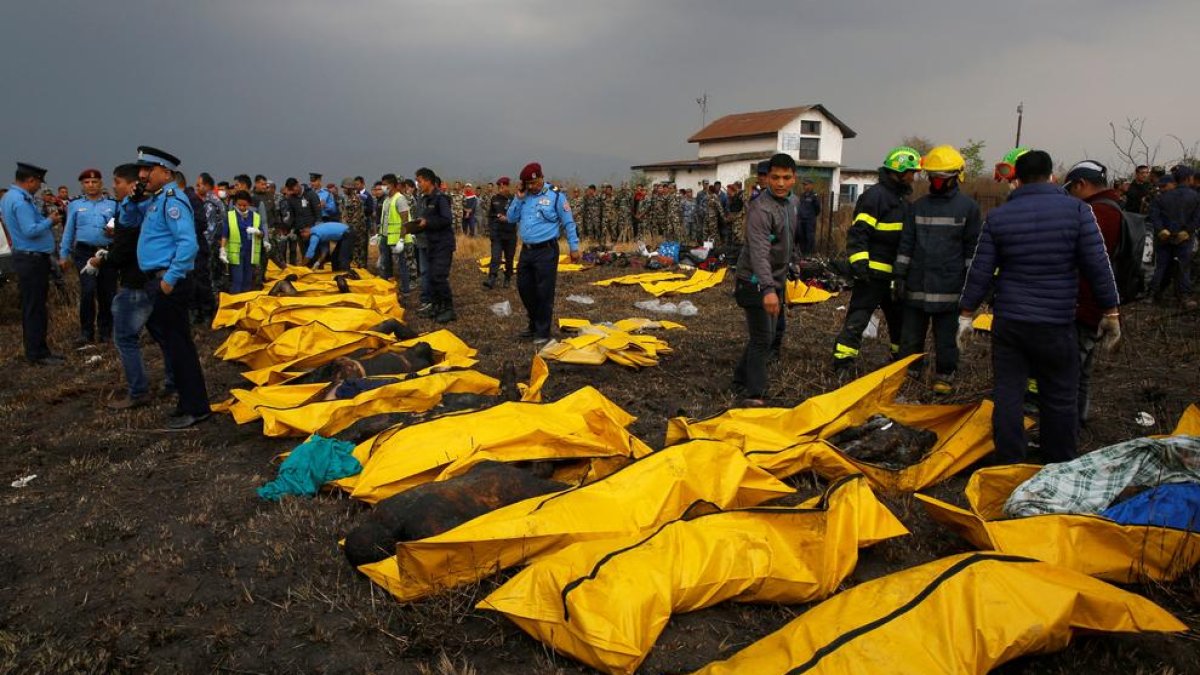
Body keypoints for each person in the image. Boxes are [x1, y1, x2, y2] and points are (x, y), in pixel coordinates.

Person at [959, 150, 1120, 464]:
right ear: (1053, 177)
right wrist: (1111, 311)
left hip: (1010, 323)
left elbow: (980, 269)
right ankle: (1057, 461)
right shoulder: (1078, 212)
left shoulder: (999, 216)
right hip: (1057, 323)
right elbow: (1098, 266)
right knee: (1060, 394)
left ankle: (1010, 461)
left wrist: (966, 313)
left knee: (1008, 393)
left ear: (1017, 179)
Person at [126, 146, 210, 429]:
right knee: (174, 348)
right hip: (158, 281)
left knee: (180, 346)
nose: (142, 175)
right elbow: (127, 221)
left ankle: (196, 407)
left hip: (169, 283)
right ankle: (187, 403)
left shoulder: (173, 200)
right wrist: (131, 199)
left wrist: (169, 280)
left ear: (165, 171)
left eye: (147, 170)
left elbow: (188, 244)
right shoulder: (155, 200)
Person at [894, 145, 982, 394]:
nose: (937, 182)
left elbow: (971, 250)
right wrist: (899, 275)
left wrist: (970, 286)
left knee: (946, 338)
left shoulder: (969, 209)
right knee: (910, 336)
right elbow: (906, 243)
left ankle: (945, 374)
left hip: (949, 287)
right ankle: (909, 372)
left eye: (941, 178)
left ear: (956, 177)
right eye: (933, 177)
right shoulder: (918, 206)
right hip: (917, 284)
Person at [831, 147, 919, 371]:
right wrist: (860, 265)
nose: (913, 176)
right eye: (911, 172)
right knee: (859, 317)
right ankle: (843, 361)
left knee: (898, 319)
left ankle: (900, 361)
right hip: (872, 274)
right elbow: (859, 232)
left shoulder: (901, 199)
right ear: (898, 172)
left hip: (894, 274)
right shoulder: (876, 197)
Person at [100, 163, 174, 409]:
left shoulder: (133, 211)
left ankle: (138, 390)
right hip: (153, 282)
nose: (114, 186)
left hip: (135, 284)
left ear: (133, 185)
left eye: (118, 182)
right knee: (163, 335)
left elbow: (124, 251)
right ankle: (173, 381)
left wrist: (101, 259)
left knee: (125, 338)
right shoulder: (152, 207)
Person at [732, 153, 798, 405]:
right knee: (763, 338)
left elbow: (790, 239)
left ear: (794, 179)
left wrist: (794, 264)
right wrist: (768, 289)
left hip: (776, 280)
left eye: (786, 178)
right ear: (766, 179)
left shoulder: (793, 203)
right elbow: (759, 252)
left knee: (765, 335)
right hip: (753, 281)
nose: (780, 183)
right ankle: (755, 394)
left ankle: (740, 380)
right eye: (775, 178)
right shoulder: (761, 209)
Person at [1062, 160, 1124, 424]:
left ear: (1081, 184)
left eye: (1071, 188)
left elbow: (1089, 264)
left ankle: (1066, 426)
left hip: (1085, 304)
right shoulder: (1114, 208)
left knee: (1068, 370)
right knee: (1082, 369)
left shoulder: (1096, 214)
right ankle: (1079, 417)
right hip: (1098, 303)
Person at [506, 162, 581, 345]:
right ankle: (533, 323)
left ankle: (542, 331)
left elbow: (568, 223)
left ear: (541, 177)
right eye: (528, 184)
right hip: (527, 251)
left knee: (544, 292)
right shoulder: (524, 197)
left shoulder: (556, 196)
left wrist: (574, 247)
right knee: (524, 288)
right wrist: (519, 198)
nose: (531, 187)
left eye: (534, 183)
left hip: (546, 250)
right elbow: (510, 218)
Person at [2, 162, 64, 365]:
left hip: (27, 258)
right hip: (32, 261)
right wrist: (50, 221)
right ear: (30, 180)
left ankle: (37, 350)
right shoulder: (20, 201)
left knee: (33, 306)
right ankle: (37, 354)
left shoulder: (10, 197)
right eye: (38, 183)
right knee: (35, 308)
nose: (39, 187)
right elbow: (30, 230)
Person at [59, 168, 118, 346]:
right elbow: (69, 231)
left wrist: (113, 232)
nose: (91, 185)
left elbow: (119, 228)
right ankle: (86, 331)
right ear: (82, 185)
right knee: (88, 291)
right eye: (86, 183)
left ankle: (106, 331)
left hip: (106, 250)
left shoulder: (112, 204)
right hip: (84, 252)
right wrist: (63, 254)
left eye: (94, 182)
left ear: (101, 183)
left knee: (107, 292)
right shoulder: (75, 205)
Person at [1147, 166, 1200, 308]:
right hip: (1184, 238)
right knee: (1183, 266)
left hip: (1164, 237)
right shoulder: (1195, 196)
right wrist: (1188, 231)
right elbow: (1197, 217)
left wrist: (1161, 230)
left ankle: (1153, 294)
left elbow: (1153, 214)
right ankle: (1184, 296)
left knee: (1162, 266)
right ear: (1189, 178)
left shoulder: (1162, 197)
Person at [409, 168, 455, 322]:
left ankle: (449, 309)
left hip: (443, 244)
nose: (418, 184)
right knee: (432, 277)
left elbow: (447, 219)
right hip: (431, 243)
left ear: (428, 181)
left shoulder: (441, 199)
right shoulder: (427, 199)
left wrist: (427, 222)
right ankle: (436, 305)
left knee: (439, 277)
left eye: (420, 181)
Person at [217, 191, 264, 293]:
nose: (242, 207)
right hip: (236, 253)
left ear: (249, 204)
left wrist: (257, 231)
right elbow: (225, 234)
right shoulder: (230, 216)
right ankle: (236, 302)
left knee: (248, 280)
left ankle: (245, 302)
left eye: (245, 205)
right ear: (235, 204)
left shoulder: (255, 216)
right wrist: (222, 249)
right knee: (237, 280)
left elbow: (262, 234)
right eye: (239, 205)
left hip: (250, 253)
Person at [377, 173, 412, 292]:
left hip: (396, 239)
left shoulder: (400, 199)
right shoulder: (387, 200)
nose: (383, 187)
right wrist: (379, 234)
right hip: (385, 237)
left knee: (402, 265)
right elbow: (385, 219)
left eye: (384, 184)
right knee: (385, 264)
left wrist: (401, 239)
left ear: (392, 185)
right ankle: (387, 288)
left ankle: (405, 290)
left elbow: (405, 220)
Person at [484, 176, 516, 289]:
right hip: (497, 233)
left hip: (510, 234)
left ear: (507, 186)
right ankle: (492, 278)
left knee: (509, 258)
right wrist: (491, 230)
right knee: (495, 257)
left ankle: (507, 277)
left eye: (503, 186)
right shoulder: (494, 199)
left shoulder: (514, 199)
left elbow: (518, 215)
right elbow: (490, 216)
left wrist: (508, 218)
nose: (500, 189)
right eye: (499, 187)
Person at [280, 177, 322, 265]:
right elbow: (292, 215)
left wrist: (316, 229)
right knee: (304, 253)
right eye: (290, 190)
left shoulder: (311, 195)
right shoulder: (291, 199)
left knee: (314, 253)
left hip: (312, 230)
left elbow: (318, 213)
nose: (293, 191)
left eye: (293, 188)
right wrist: (287, 228)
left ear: (298, 184)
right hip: (300, 231)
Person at [795, 177, 822, 255]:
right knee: (801, 237)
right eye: (804, 185)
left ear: (811, 185)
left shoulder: (814, 196)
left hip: (810, 221)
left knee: (809, 238)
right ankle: (802, 254)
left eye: (806, 185)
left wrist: (811, 216)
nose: (804, 186)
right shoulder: (802, 195)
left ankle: (809, 254)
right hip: (801, 220)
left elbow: (818, 209)